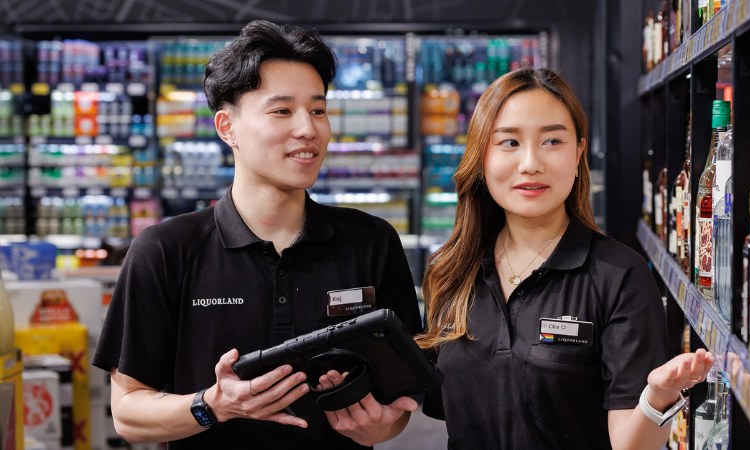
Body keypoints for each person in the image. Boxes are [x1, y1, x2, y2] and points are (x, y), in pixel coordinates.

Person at [92, 20, 421, 449]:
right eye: (282, 110)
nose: (308, 129)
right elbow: (129, 413)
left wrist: (381, 427)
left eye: (318, 110)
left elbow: (399, 403)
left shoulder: (371, 241)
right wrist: (213, 405)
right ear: (227, 127)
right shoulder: (165, 250)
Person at [415, 68, 715, 449]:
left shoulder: (619, 276)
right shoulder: (450, 271)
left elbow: (629, 444)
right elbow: (449, 413)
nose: (530, 163)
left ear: (578, 154)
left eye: (552, 140)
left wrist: (657, 399)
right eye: (508, 142)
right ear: (481, 157)